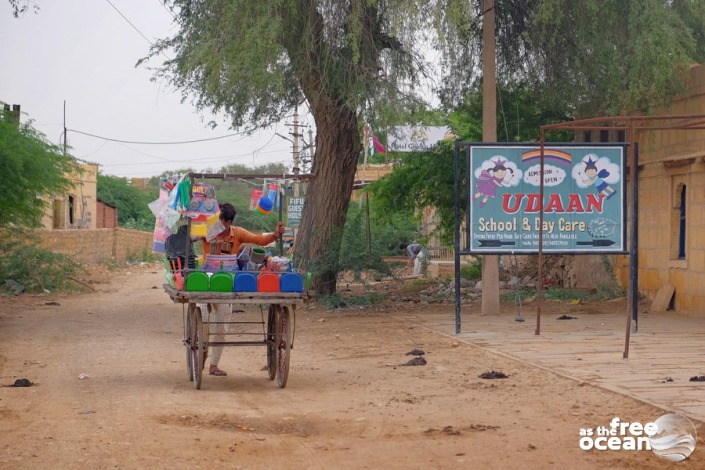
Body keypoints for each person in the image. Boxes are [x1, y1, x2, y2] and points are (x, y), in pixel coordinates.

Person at [200, 202, 285, 377]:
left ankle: (214, 365)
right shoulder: (206, 231)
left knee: (222, 327)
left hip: (227, 284)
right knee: (203, 320)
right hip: (206, 282)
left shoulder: (237, 233)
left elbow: (258, 239)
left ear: (228, 222)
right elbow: (190, 235)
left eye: (220, 221)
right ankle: (201, 350)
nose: (216, 224)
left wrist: (275, 235)